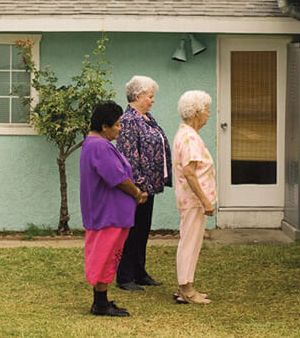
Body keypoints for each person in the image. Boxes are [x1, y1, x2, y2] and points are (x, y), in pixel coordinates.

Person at [79, 101, 148, 317]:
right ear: (104, 126)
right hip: (108, 214)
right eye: (117, 125)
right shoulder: (99, 146)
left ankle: (102, 300)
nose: (120, 129)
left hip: (109, 212)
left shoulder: (94, 144)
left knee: (108, 256)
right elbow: (117, 178)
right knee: (105, 256)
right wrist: (136, 193)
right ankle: (100, 304)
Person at [115, 75, 172, 291]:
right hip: (139, 188)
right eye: (150, 96)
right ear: (137, 96)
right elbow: (129, 156)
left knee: (142, 229)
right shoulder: (130, 120)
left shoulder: (146, 117)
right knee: (133, 230)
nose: (153, 100)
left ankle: (139, 272)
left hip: (150, 186)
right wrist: (139, 187)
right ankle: (125, 276)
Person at [172, 90, 217, 305]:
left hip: (190, 200)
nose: (209, 113)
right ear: (197, 112)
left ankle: (185, 286)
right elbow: (190, 172)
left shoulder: (187, 133)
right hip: (193, 200)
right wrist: (205, 200)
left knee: (190, 240)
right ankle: (186, 290)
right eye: (207, 109)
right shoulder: (189, 137)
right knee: (190, 241)